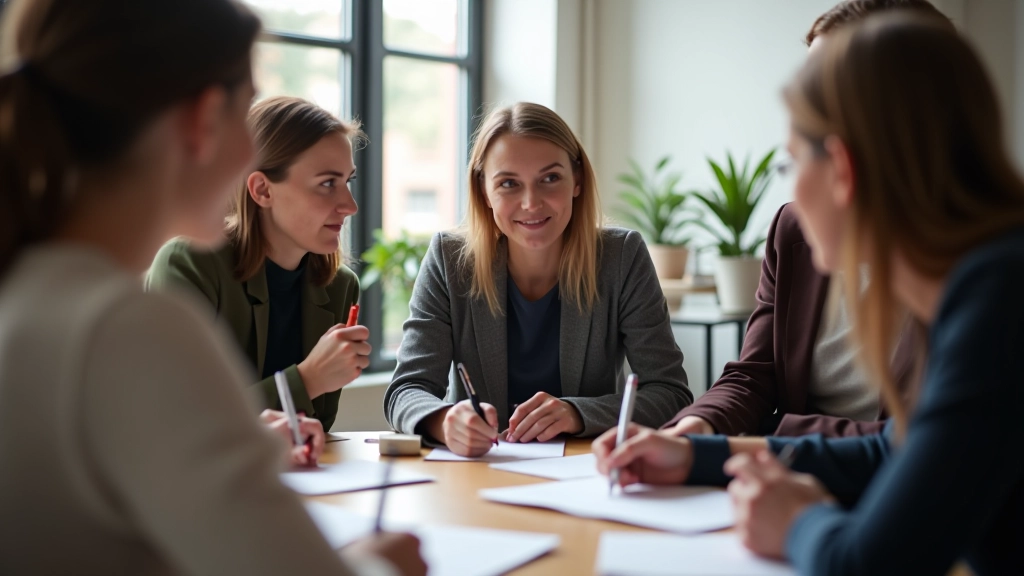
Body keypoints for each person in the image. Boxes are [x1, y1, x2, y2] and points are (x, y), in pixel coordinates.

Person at [0, 1, 423, 574]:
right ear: (204, 120)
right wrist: (378, 565)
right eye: (245, 107)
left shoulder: (32, 293)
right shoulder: (126, 326)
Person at [594, 12, 1024, 575]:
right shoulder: (983, 275)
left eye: (792, 162)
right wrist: (694, 454)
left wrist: (798, 521)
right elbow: (894, 448)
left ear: (843, 168)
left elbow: (869, 563)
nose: (791, 187)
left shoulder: (998, 302)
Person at [666, 0, 950, 439]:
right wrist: (693, 430)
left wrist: (775, 434)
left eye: (826, 87)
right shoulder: (794, 228)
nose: (805, 104)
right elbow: (754, 375)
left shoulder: (979, 262)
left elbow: (914, 444)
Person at [384, 102, 692, 457]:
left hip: (588, 472)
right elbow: (405, 390)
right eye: (509, 183)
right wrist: (444, 420)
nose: (531, 203)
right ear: (484, 191)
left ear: (576, 180)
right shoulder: (449, 260)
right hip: (481, 469)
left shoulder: (621, 257)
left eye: (550, 179)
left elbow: (670, 393)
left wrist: (577, 413)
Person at [148, 96, 368, 434]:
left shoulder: (340, 287)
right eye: (327, 184)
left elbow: (316, 426)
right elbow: (176, 418)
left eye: (347, 182)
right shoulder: (189, 264)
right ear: (262, 190)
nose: (349, 206)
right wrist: (306, 380)